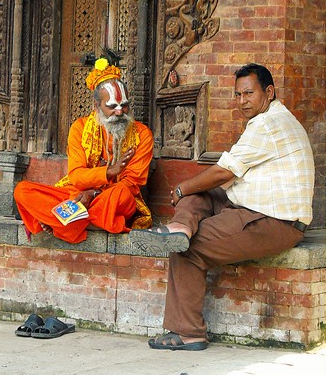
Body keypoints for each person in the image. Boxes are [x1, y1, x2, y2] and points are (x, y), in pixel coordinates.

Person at [129, 63, 315, 351]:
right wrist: (190, 190)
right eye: (238, 95)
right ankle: (180, 226)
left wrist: (181, 189)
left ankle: (188, 332)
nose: (242, 101)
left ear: (269, 91)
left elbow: (224, 172)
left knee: (185, 248)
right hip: (252, 208)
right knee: (200, 195)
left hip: (274, 222)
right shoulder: (273, 118)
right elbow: (221, 178)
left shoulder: (268, 124)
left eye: (249, 94)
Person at [15, 57, 154, 244]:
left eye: (124, 105)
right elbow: (76, 177)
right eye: (112, 106)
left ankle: (64, 223)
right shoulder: (79, 128)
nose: (120, 112)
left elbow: (132, 184)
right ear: (97, 106)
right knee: (23, 191)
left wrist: (94, 194)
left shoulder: (142, 134)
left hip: (111, 201)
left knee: (121, 195)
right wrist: (108, 172)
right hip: (77, 195)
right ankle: (84, 222)